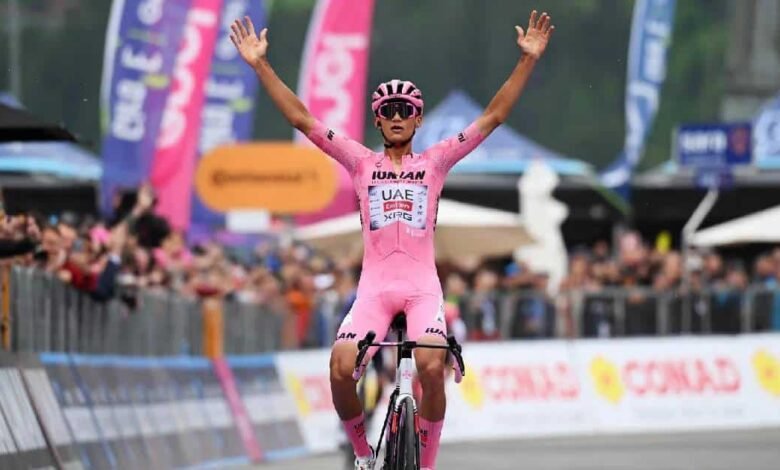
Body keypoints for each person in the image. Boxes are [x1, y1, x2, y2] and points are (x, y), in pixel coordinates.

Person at [231, 9, 554, 469]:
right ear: (378, 121)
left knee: (429, 368)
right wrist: (260, 64)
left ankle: (426, 464)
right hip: (374, 291)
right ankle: (363, 457)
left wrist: (527, 61)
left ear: (419, 121)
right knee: (341, 368)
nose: (398, 116)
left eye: (407, 111)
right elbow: (302, 119)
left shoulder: (437, 162)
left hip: (422, 289)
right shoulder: (360, 162)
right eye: (388, 110)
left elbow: (494, 116)